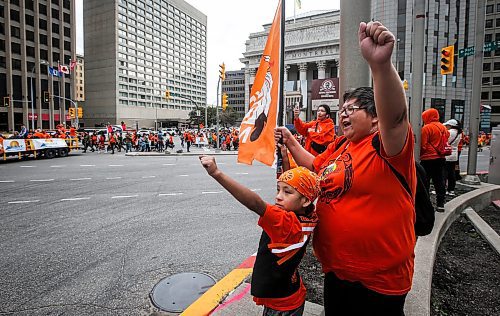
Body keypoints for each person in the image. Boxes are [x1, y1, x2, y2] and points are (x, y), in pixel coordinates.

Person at [275, 21, 416, 315]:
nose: (344, 115)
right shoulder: (340, 146)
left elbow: (396, 117)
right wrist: (289, 140)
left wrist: (380, 66)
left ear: (375, 119)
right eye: (342, 110)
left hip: (380, 282)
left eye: (352, 109)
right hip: (336, 272)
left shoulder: (386, 145)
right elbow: (315, 165)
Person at [200, 155, 319, 316]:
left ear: (305, 200)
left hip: (281, 305)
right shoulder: (309, 215)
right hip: (291, 292)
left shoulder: (286, 223)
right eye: (278, 189)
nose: (278, 196)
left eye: (286, 192)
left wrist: (216, 173)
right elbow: (297, 186)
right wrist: (284, 156)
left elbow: (256, 204)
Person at [420, 108, 449, 211]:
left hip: (428, 158)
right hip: (441, 157)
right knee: (439, 181)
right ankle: (440, 204)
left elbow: (422, 145)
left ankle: (426, 205)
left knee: (425, 182)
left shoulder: (426, 128)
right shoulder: (444, 128)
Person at [443, 119, 462, 196]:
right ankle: (451, 190)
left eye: (447, 125)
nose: (446, 127)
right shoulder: (459, 133)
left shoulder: (450, 132)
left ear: (450, 125)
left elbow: (445, 141)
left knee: (444, 173)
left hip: (447, 155)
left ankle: (443, 189)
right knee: (452, 173)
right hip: (454, 155)